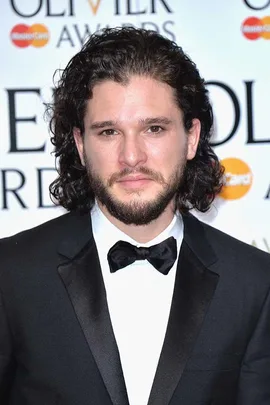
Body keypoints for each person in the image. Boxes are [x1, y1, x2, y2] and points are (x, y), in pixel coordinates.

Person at [0, 27, 270, 405]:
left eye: (154, 129)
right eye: (109, 132)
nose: (131, 157)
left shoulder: (255, 284)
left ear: (191, 138)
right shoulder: (11, 273)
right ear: (80, 144)